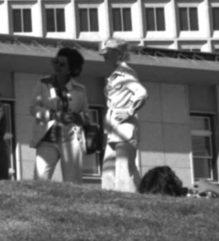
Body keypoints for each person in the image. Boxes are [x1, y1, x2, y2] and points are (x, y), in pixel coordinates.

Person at [30, 46, 89, 183]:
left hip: (71, 139)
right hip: (46, 138)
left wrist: (75, 117)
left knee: (72, 182)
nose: (57, 66)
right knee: (40, 179)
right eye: (55, 62)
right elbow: (33, 108)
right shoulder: (43, 83)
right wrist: (53, 115)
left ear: (71, 68)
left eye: (62, 64)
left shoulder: (80, 89)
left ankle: (72, 204)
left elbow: (86, 115)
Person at [101, 37, 148, 192]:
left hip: (124, 126)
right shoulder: (116, 74)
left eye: (108, 52)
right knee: (110, 165)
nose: (104, 55)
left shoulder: (126, 73)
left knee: (123, 166)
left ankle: (128, 195)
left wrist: (128, 111)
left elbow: (141, 93)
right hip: (114, 127)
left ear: (119, 54)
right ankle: (109, 195)